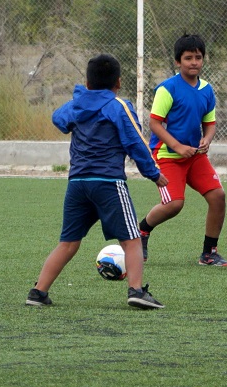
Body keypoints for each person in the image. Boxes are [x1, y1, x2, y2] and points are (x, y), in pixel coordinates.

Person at [27, 54, 169, 308]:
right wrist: (153, 173)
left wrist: (82, 96)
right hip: (107, 182)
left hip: (77, 183)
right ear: (118, 82)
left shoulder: (76, 105)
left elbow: (58, 119)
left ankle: (38, 292)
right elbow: (135, 142)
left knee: (68, 242)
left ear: (87, 82)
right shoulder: (118, 106)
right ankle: (136, 291)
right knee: (132, 239)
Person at [137, 33, 227, 266]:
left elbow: (209, 124)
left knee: (218, 196)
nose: (194, 62)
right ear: (178, 62)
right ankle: (141, 232)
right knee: (174, 204)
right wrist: (177, 147)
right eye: (188, 58)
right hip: (167, 156)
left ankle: (209, 253)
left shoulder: (207, 90)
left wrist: (207, 139)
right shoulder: (167, 89)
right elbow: (154, 123)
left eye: (198, 57)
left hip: (195, 157)